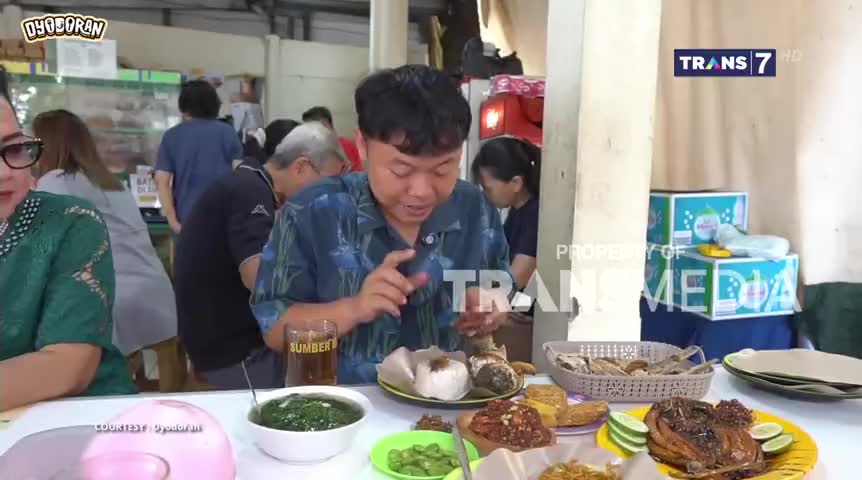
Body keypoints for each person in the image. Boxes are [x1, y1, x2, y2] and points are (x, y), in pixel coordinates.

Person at [253, 65, 513, 385]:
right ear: (362, 146)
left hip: (442, 401)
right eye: (401, 170)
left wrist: (490, 305)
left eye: (443, 169)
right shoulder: (313, 211)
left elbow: (499, 283)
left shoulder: (475, 208)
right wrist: (354, 308)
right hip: (341, 403)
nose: (421, 191)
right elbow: (274, 329)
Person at [175, 122, 349, 389]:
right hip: (236, 352)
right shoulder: (251, 191)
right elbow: (256, 274)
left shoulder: (249, 180)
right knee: (330, 373)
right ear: (301, 166)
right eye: (328, 184)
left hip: (221, 339)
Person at [0, 78, 136, 411]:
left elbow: (67, 367)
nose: (5, 173)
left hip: (76, 415)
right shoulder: (107, 180)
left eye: (13, 148)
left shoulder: (63, 211)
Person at [32, 109, 178, 356]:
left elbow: (43, 244)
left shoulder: (55, 181)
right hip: (157, 293)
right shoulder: (112, 182)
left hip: (115, 300)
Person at [155, 79, 242, 234]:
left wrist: (173, 221)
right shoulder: (227, 132)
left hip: (187, 220)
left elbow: (162, 182)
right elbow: (240, 176)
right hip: (223, 219)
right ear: (214, 104)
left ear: (183, 105)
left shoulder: (172, 136)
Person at [472, 137, 541, 291]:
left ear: (516, 183)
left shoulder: (535, 217)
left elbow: (513, 280)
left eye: (488, 188)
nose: (485, 195)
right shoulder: (516, 212)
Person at [302, 106, 363, 172]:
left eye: (322, 128)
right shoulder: (307, 153)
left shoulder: (346, 146)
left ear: (331, 127)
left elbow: (360, 173)